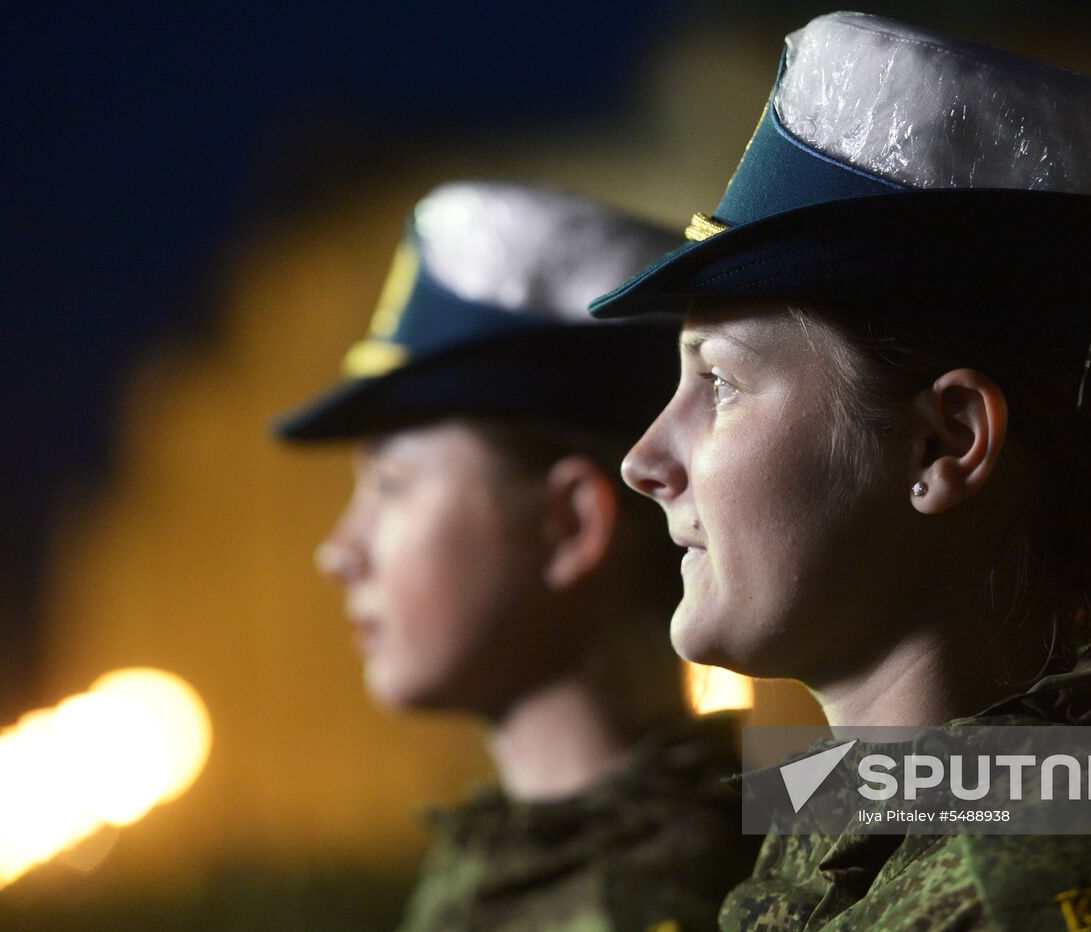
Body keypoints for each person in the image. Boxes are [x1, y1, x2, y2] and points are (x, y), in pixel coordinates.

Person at [598, 13, 1091, 930]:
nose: (644, 460)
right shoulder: (930, 821)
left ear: (946, 442)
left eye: (720, 381)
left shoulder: (1051, 883)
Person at [275, 181, 760, 931]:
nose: (340, 551)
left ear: (569, 524)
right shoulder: (510, 857)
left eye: (392, 486)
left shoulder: (693, 893)